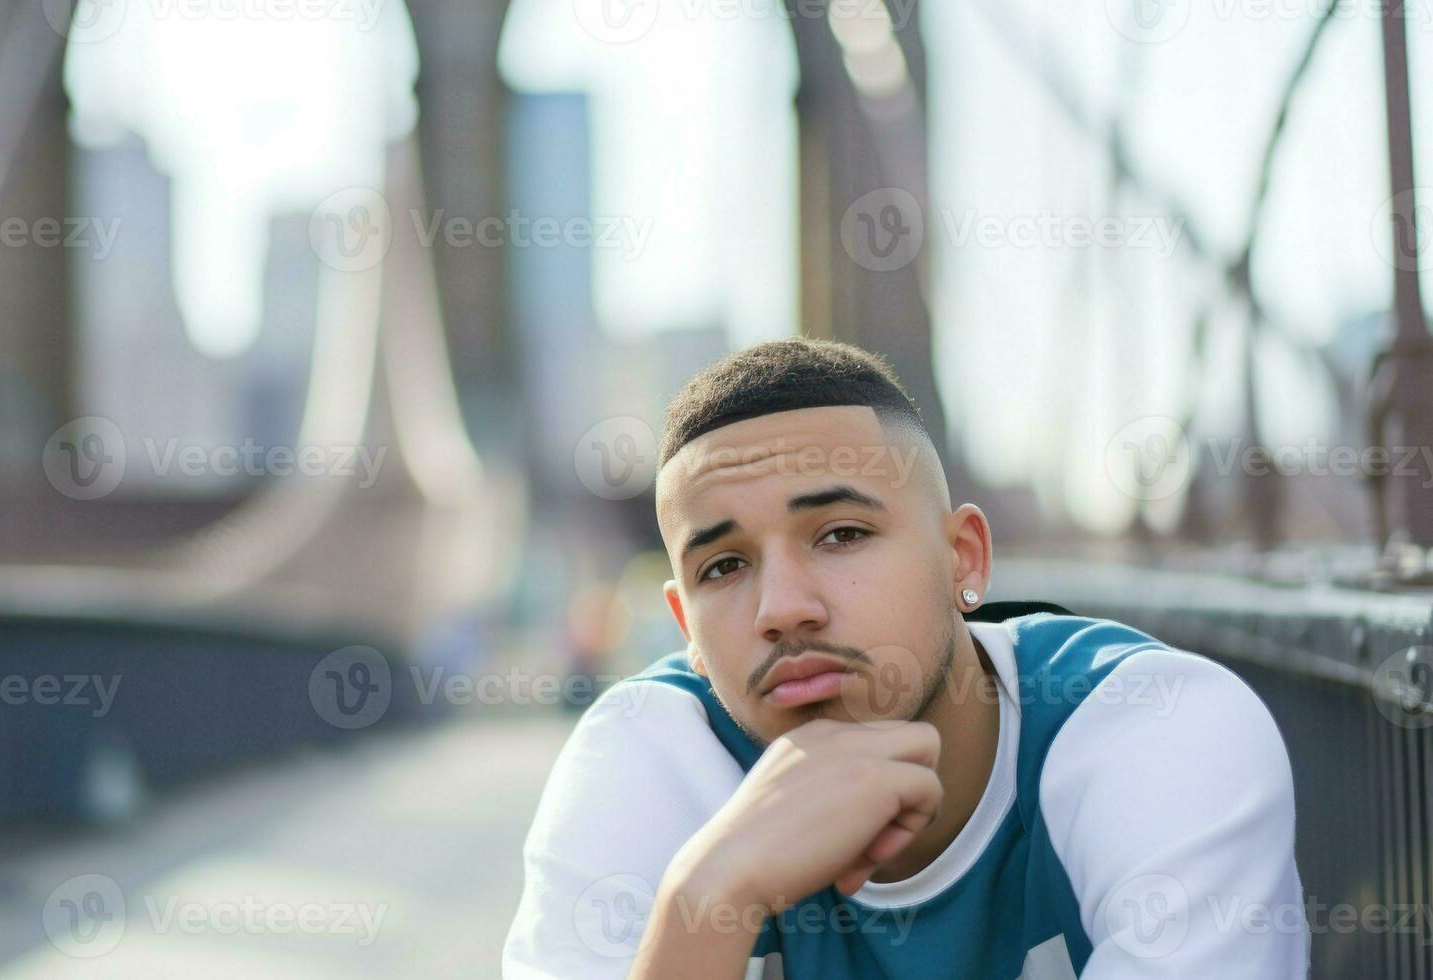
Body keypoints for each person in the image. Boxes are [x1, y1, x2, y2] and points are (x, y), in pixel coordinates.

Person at [503, 339, 1307, 979]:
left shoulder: (1155, 726)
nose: (782, 608)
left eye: (840, 534)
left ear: (964, 559)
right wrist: (709, 895)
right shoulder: (648, 751)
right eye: (724, 567)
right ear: (687, 629)